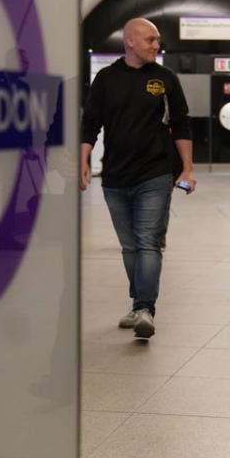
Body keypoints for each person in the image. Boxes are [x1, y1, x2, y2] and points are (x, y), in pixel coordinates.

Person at [80, 18, 196, 339]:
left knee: (147, 242)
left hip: (155, 173)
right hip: (115, 178)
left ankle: (146, 308)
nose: (156, 45)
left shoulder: (165, 79)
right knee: (129, 246)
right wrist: (83, 159)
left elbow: (182, 125)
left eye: (156, 40)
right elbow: (90, 124)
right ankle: (137, 304)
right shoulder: (106, 79)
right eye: (150, 40)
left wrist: (187, 168)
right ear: (130, 41)